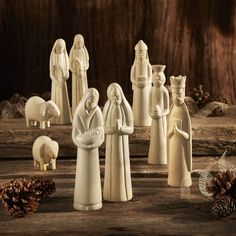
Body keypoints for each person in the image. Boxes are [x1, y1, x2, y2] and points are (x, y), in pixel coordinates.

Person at [72, 88, 104, 211]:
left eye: (94, 103)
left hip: (93, 150)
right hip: (82, 150)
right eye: (89, 102)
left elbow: (101, 132)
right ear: (85, 100)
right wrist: (82, 144)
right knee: (82, 175)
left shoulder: (98, 113)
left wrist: (93, 145)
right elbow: (75, 134)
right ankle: (81, 202)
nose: (91, 105)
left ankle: (95, 202)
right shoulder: (79, 112)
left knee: (93, 176)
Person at [103, 83, 134, 202]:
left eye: (117, 96)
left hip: (122, 143)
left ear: (121, 94)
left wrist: (121, 129)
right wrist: (111, 130)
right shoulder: (107, 107)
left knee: (122, 167)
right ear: (109, 97)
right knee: (111, 168)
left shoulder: (126, 108)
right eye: (112, 97)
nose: (115, 99)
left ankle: (124, 193)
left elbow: (131, 128)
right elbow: (103, 127)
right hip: (111, 144)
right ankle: (110, 193)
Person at [167, 76, 192, 187]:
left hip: (182, 149)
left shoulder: (184, 112)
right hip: (173, 149)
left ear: (184, 95)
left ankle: (184, 181)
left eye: (180, 94)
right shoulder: (172, 111)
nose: (177, 97)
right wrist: (172, 131)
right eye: (174, 94)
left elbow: (188, 136)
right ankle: (173, 180)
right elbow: (167, 135)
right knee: (173, 167)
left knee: (182, 167)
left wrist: (179, 132)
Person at [148, 65, 169, 164]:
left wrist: (161, 114)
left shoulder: (164, 91)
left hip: (161, 119)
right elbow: (148, 107)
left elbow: (167, 108)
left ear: (163, 78)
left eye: (159, 78)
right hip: (154, 119)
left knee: (162, 138)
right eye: (155, 77)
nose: (157, 80)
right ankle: (154, 158)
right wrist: (151, 114)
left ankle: (162, 158)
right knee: (154, 138)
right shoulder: (151, 90)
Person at [50, 38, 72, 124]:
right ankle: (55, 119)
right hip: (56, 83)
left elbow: (67, 71)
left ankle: (65, 118)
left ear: (64, 48)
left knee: (63, 99)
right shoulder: (53, 57)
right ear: (55, 47)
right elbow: (51, 73)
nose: (60, 49)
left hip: (63, 82)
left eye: (61, 47)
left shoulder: (65, 56)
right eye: (58, 47)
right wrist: (56, 81)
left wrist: (64, 79)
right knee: (56, 99)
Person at [130, 40, 152, 126]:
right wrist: (136, 82)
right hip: (137, 89)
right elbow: (132, 77)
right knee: (138, 105)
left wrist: (146, 82)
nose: (141, 54)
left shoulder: (147, 65)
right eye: (139, 52)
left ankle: (146, 121)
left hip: (146, 89)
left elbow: (151, 77)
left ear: (146, 53)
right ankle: (137, 121)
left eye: (142, 52)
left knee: (146, 104)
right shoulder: (135, 65)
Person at [69, 34, 89, 115]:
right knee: (76, 91)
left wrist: (83, 69)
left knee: (83, 91)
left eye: (80, 42)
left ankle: (84, 109)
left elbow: (87, 63)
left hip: (83, 74)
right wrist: (74, 71)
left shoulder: (84, 51)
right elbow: (70, 64)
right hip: (75, 75)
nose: (79, 44)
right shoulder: (73, 51)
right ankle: (76, 111)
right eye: (77, 43)